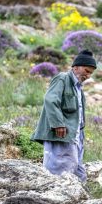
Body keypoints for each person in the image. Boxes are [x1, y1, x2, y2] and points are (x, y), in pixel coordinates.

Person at [31, 49, 96, 182]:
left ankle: (78, 199)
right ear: (76, 67)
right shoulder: (62, 78)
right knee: (58, 172)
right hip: (60, 134)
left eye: (91, 73)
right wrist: (58, 124)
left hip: (74, 136)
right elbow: (51, 100)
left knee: (77, 171)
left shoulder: (78, 88)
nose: (88, 76)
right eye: (87, 71)